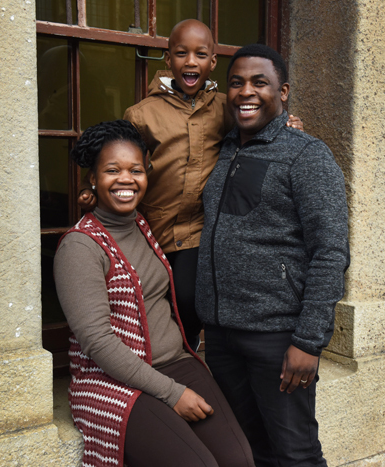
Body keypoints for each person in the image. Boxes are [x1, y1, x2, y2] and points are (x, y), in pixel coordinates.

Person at [78, 19, 302, 349]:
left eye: (201, 54)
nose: (191, 61)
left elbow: (256, 118)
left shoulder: (225, 106)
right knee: (147, 297)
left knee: (189, 296)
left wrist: (287, 121)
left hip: (199, 228)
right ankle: (151, 358)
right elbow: (116, 157)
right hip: (154, 225)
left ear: (213, 62)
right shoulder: (142, 114)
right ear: (168, 59)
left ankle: (188, 354)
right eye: (181, 53)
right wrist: (91, 188)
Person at [55, 120, 254, 467]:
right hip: (112, 382)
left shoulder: (142, 224)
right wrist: (171, 393)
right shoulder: (80, 247)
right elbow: (98, 343)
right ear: (93, 177)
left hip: (175, 363)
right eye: (112, 170)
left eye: (135, 170)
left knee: (239, 459)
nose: (126, 180)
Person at [195, 44, 350, 466]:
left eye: (259, 83)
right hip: (223, 338)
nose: (246, 92)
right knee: (250, 449)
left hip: (278, 339)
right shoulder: (225, 150)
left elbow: (330, 252)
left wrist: (308, 341)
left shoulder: (306, 155)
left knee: (295, 453)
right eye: (237, 82)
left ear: (283, 92)